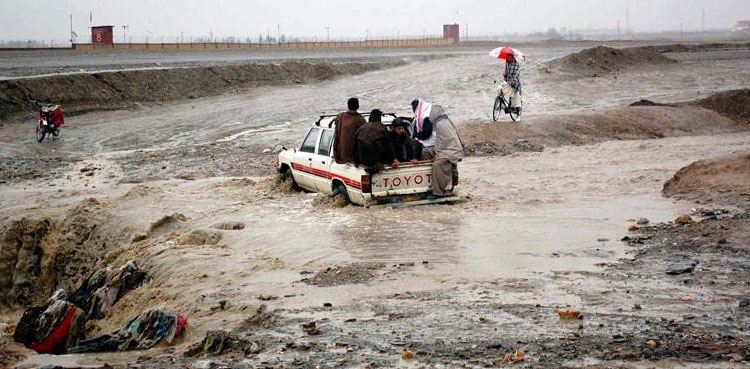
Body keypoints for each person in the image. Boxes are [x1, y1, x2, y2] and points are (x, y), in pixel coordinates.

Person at [429, 104, 464, 197]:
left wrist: (437, 156)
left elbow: (443, 142)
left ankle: (437, 192)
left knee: (437, 165)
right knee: (426, 152)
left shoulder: (441, 124)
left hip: (451, 151)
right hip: (451, 149)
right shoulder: (445, 121)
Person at [353, 109, 399, 174]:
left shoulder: (361, 128)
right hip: (377, 159)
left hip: (363, 160)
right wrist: (392, 161)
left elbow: (355, 146)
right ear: (379, 117)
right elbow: (388, 146)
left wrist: (356, 162)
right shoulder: (382, 128)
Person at [333, 97, 366, 164]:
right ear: (358, 107)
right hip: (355, 157)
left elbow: (336, 136)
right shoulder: (361, 120)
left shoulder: (340, 117)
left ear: (347, 106)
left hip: (341, 156)